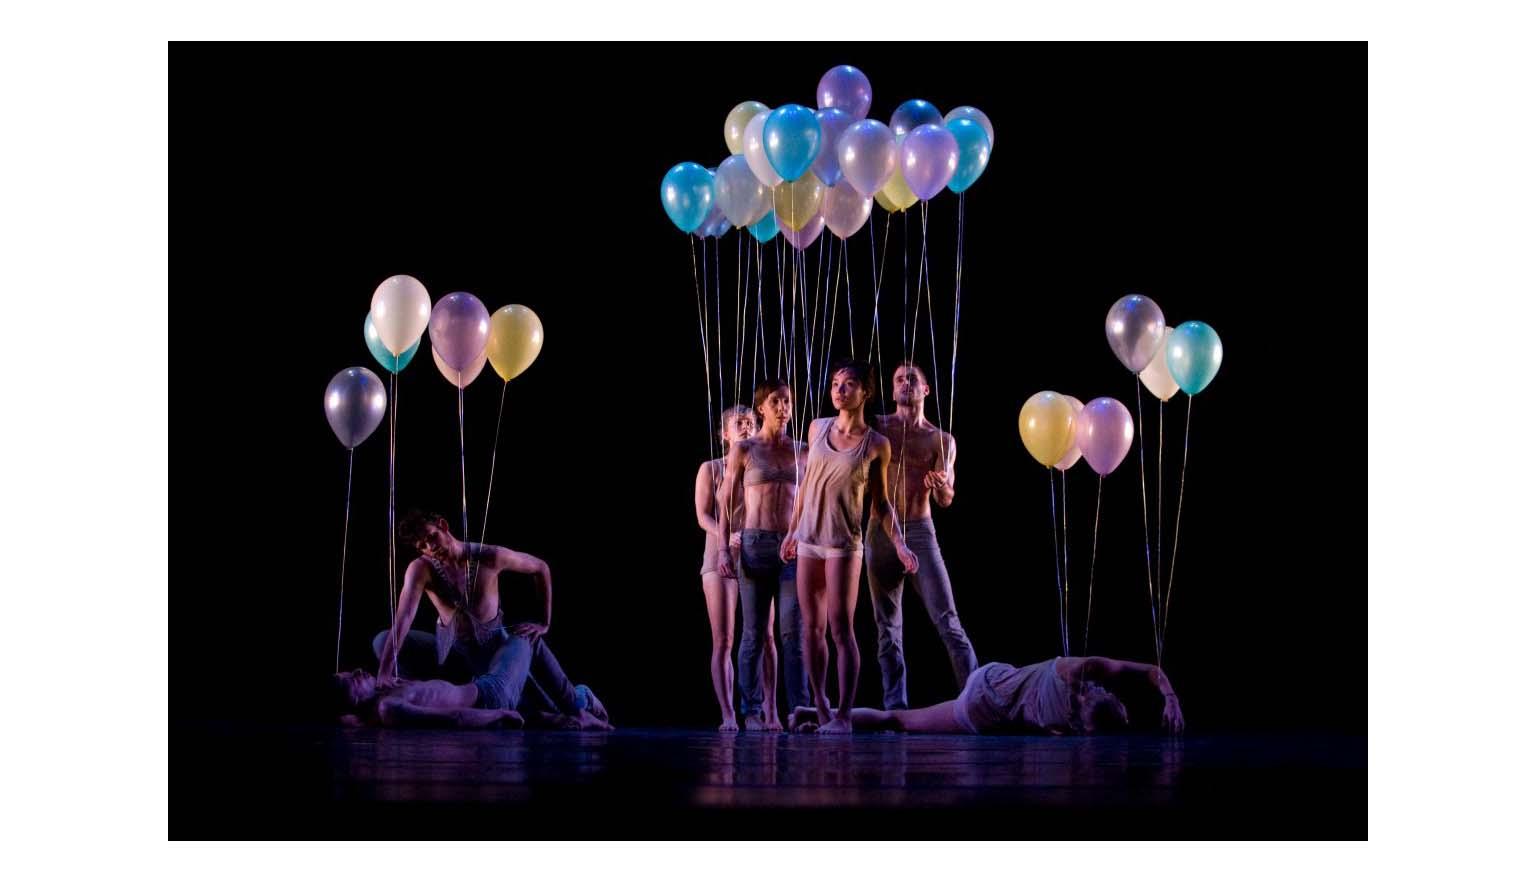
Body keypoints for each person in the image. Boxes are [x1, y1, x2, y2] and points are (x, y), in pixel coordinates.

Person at [781, 359, 917, 734]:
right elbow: (806, 485)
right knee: (811, 627)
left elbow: (882, 502)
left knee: (841, 629)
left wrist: (901, 545)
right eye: (835, 384)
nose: (839, 390)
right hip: (809, 539)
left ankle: (843, 714)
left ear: (865, 392)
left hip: (843, 544)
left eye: (849, 384)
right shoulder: (816, 427)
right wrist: (793, 532)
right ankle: (822, 707)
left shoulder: (876, 445)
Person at [373, 510, 571, 715]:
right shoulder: (421, 568)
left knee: (545, 705)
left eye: (432, 537)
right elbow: (404, 617)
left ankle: (583, 699)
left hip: (492, 653)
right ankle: (418, 698)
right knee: (382, 641)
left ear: (443, 525)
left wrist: (544, 622)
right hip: (451, 653)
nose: (430, 547)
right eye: (422, 546)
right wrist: (384, 673)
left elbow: (541, 567)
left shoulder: (489, 556)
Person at [867, 361, 977, 709]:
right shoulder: (877, 427)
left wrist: (942, 485)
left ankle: (977, 699)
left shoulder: (940, 439)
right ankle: (895, 707)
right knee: (887, 628)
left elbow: (947, 500)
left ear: (925, 390)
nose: (904, 383)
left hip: (919, 530)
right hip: (881, 530)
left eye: (911, 379)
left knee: (948, 620)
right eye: (898, 379)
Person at [718, 378, 810, 732]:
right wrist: (726, 549)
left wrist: (800, 535)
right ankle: (752, 710)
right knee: (754, 633)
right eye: (776, 401)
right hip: (754, 545)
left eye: (787, 401)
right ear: (762, 408)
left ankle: (800, 710)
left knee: (792, 633)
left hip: (790, 548)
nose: (783, 408)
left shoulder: (801, 449)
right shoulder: (745, 449)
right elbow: (725, 501)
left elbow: (810, 501)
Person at [786, 656, 1185, 735]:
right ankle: (814, 715)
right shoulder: (1064, 728)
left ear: (1096, 692)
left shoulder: (1076, 670)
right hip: (982, 715)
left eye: (1109, 694)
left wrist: (1171, 697)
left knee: (899, 719)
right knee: (900, 722)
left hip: (988, 684)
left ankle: (815, 711)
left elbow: (1149, 671)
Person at [694, 405, 775, 731]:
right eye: (738, 424)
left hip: (757, 554)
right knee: (724, 639)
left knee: (766, 636)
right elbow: (703, 516)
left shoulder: (762, 469)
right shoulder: (711, 469)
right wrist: (729, 537)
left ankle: (768, 711)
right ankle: (729, 714)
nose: (745, 427)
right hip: (720, 554)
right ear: (724, 434)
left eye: (750, 423)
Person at [332, 668, 611, 730]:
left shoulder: (385, 696)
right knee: (526, 637)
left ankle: (584, 719)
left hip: (480, 690)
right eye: (349, 679)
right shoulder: (386, 707)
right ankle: (581, 697)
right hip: (488, 697)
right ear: (352, 700)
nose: (357, 671)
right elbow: (454, 717)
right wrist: (500, 714)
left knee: (545, 718)